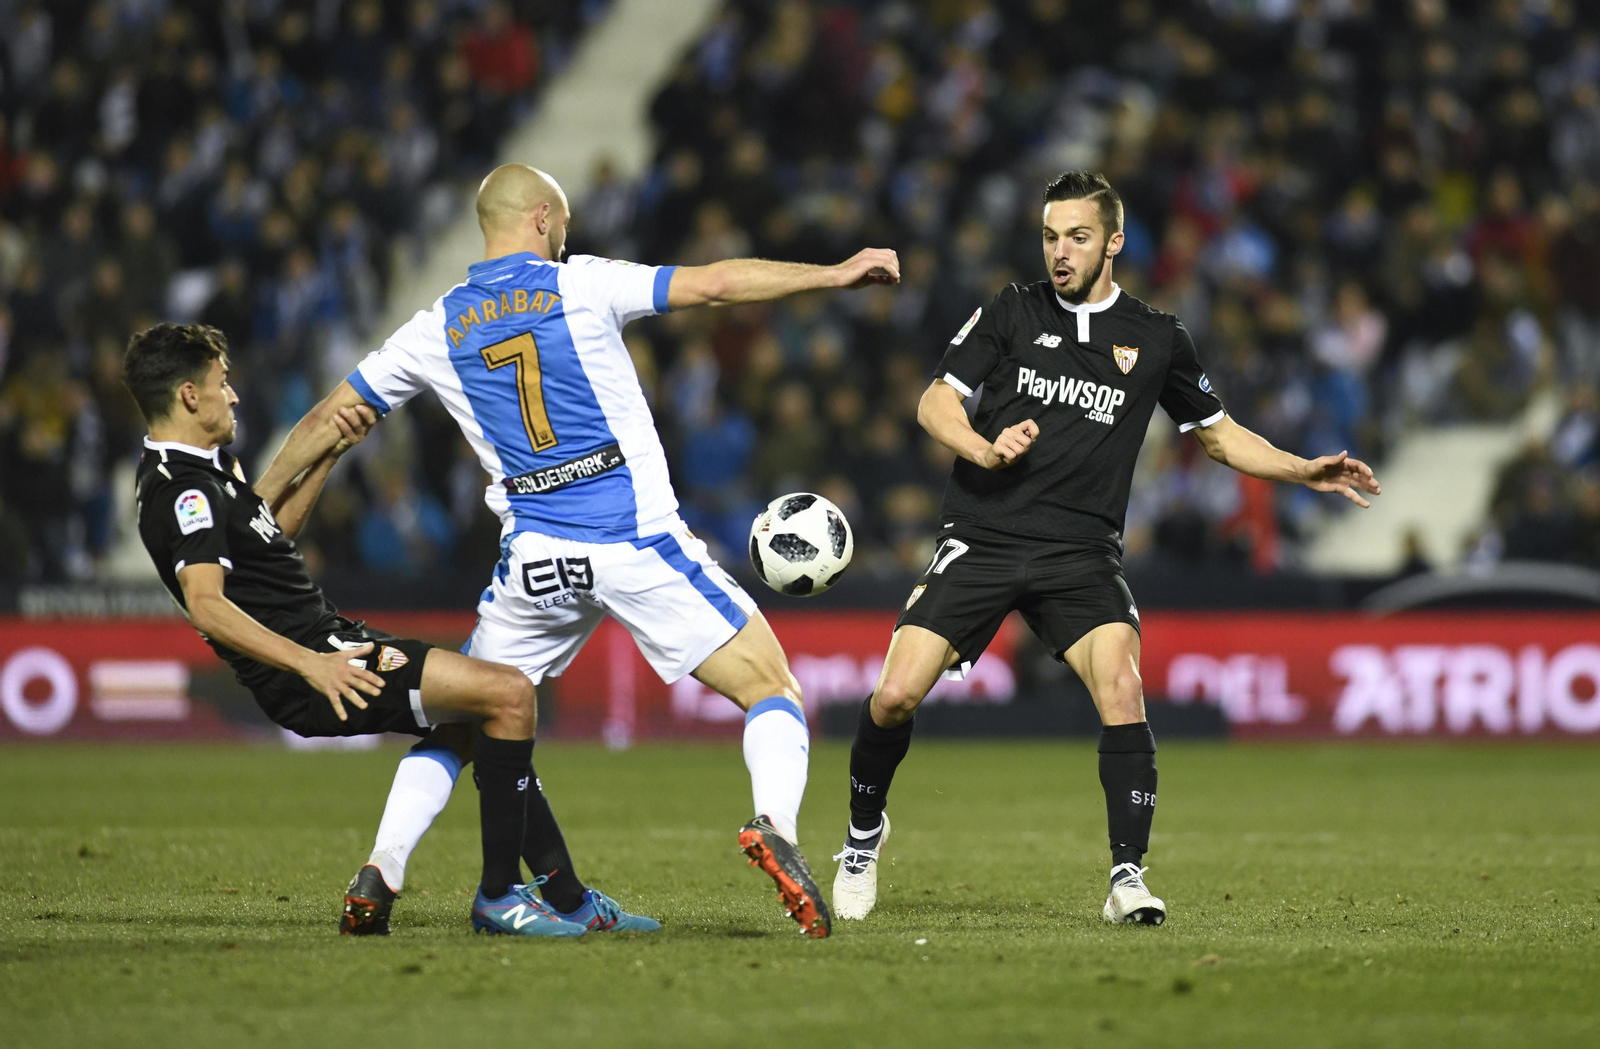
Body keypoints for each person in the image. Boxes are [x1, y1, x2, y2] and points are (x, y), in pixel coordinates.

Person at [261, 164, 900, 938]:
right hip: (632, 539)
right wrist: (832, 274)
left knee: (464, 724)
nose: (567, 234)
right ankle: (777, 827)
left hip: (535, 559)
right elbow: (718, 284)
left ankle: (381, 867)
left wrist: (254, 520)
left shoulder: (433, 328)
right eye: (561, 222)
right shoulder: (582, 283)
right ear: (538, 219)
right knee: (771, 685)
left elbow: (330, 418)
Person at [831, 172, 1381, 926]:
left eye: (1078, 237)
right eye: (1051, 236)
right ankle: (863, 840)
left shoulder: (1157, 336)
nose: (1061, 252)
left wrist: (1302, 468)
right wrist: (983, 446)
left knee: (1122, 686)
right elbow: (935, 400)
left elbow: (1218, 435)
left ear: (1114, 241)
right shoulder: (1010, 310)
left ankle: (1128, 876)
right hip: (985, 536)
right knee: (893, 696)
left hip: (1081, 553)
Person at [124, 322, 655, 939]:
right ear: (190, 395)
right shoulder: (182, 490)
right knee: (510, 696)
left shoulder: (206, 470)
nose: (234, 395)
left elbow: (266, 537)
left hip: (329, 642)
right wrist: (310, 663)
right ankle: (499, 896)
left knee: (477, 721)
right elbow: (207, 604)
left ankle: (553, 893)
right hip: (320, 661)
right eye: (223, 382)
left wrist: (328, 457)